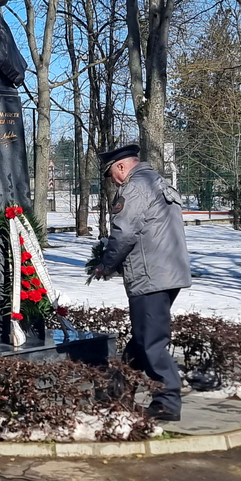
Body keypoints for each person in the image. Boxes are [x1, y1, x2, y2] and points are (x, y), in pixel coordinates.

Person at [94, 144, 191, 421]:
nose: (112, 180)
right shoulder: (158, 182)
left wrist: (106, 263)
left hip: (150, 275)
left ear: (122, 166)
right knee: (142, 338)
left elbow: (124, 233)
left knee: (151, 342)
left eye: (112, 173)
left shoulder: (135, 187)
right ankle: (116, 390)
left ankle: (168, 401)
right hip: (169, 272)